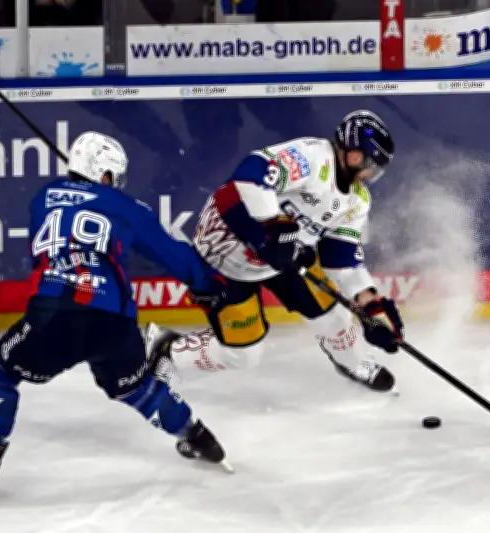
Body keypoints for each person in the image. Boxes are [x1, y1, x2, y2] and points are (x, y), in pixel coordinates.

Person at [0, 132, 230, 507]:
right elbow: (176, 257)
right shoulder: (127, 207)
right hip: (115, 320)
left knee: (0, 368)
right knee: (136, 387)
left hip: (55, 312)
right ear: (107, 175)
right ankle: (199, 438)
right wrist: (214, 286)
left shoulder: (42, 198)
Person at [148, 110, 405, 394]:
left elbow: (340, 256)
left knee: (336, 317)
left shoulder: (357, 201)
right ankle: (166, 350)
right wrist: (270, 226)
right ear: (355, 156)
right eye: (372, 166)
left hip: (283, 255)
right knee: (243, 355)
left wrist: (370, 305)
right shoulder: (312, 157)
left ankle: (351, 362)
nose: (371, 175)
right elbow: (251, 173)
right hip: (227, 248)